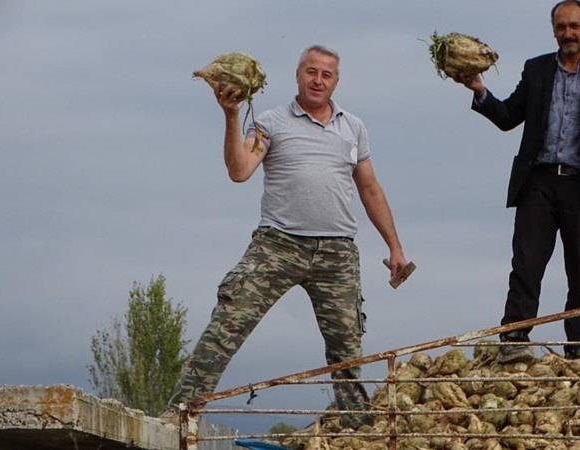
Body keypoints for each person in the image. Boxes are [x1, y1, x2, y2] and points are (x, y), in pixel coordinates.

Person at [163, 45, 408, 428]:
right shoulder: (271, 122)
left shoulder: (353, 127)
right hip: (278, 245)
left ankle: (357, 428)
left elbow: (371, 189)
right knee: (227, 323)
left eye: (326, 74)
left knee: (347, 349)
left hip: (337, 251)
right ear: (298, 76)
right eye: (311, 71)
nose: (318, 80)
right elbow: (240, 170)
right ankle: (179, 414)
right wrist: (230, 115)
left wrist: (394, 247)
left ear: (336, 81)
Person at [454, 0, 580, 363]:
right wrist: (478, 89)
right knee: (526, 262)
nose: (567, 34)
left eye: (574, 26)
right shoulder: (536, 69)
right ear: (553, 30)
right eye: (560, 27)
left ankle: (579, 348)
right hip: (537, 180)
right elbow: (508, 117)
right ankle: (515, 338)